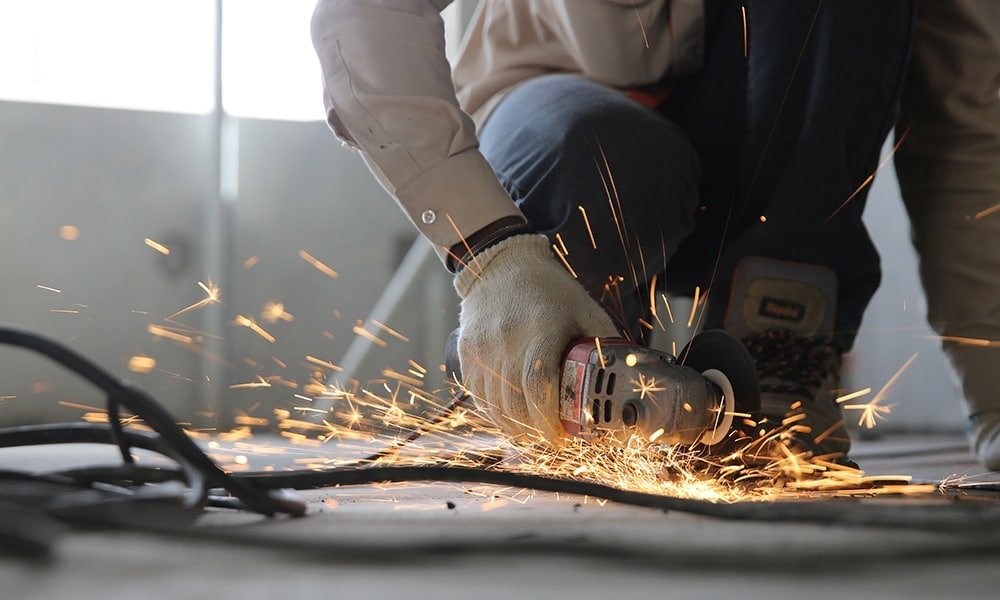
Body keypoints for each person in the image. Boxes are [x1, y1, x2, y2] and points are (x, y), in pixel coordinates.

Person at [311, 1, 996, 469]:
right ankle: (549, 352)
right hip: (568, 131)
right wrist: (488, 254)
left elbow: (968, 123)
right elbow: (367, 18)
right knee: (610, 159)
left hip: (775, 175)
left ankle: (779, 348)